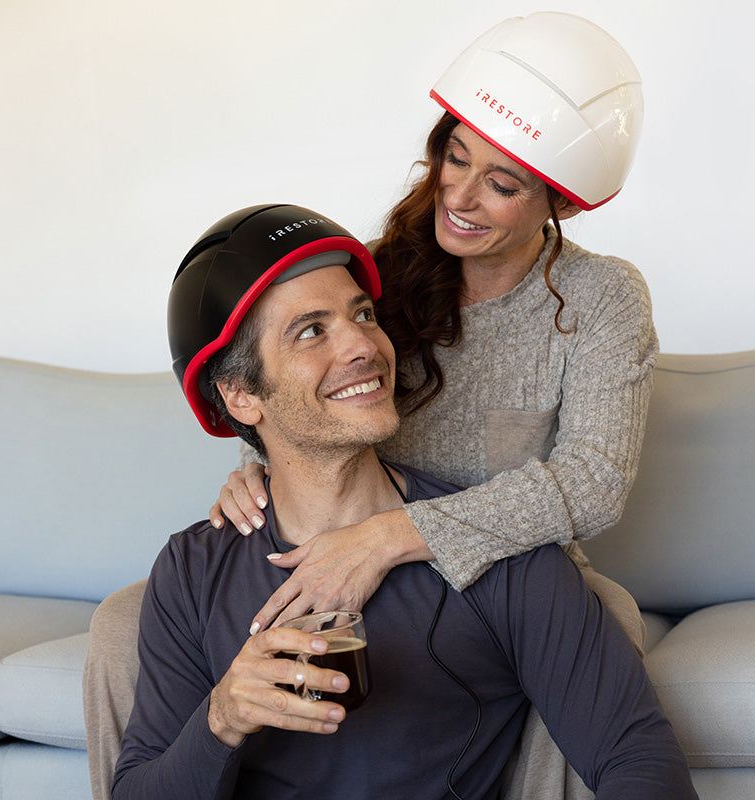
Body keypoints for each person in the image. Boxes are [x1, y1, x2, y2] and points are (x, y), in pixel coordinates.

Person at [84, 13, 657, 799]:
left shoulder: (599, 298)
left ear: (556, 202)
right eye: (455, 157)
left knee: (607, 620)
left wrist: (394, 537)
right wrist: (253, 469)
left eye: (501, 182)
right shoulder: (383, 273)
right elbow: (297, 389)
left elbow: (591, 482)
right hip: (342, 530)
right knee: (124, 618)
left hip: (491, 562)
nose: (459, 194)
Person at [110, 202, 696, 800]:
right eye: (311, 330)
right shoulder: (192, 570)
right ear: (240, 396)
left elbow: (641, 765)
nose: (364, 345)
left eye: (363, 314)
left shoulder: (501, 561)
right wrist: (222, 720)